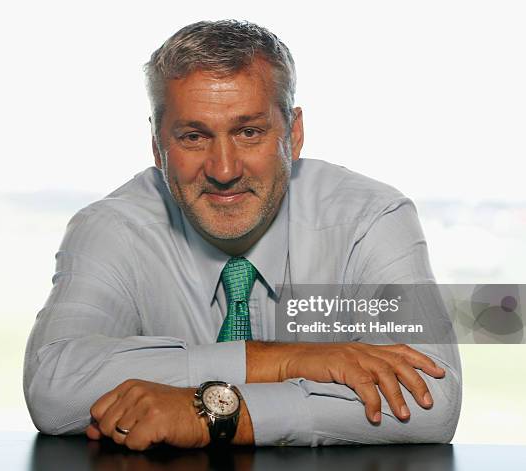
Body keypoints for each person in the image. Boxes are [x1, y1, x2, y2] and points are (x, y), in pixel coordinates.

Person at [23, 20, 461, 450]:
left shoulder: (371, 218)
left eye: (249, 132)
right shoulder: (111, 228)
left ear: (294, 133)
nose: (224, 170)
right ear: (158, 146)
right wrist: (282, 360)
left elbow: (433, 399)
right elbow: (54, 383)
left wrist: (219, 413)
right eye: (194, 136)